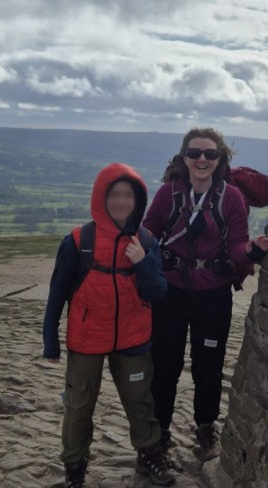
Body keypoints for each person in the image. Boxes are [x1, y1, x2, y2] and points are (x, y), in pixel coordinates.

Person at [142, 128, 268, 463]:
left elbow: (237, 246)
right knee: (165, 364)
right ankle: (160, 431)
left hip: (212, 295)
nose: (202, 159)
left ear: (220, 159)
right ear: (184, 157)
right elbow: (148, 234)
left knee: (209, 366)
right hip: (169, 293)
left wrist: (253, 252)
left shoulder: (230, 198)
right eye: (195, 153)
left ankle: (204, 424)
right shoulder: (168, 194)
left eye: (210, 154)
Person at [42, 163, 174, 488]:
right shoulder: (78, 241)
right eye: (114, 194)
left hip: (133, 338)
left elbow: (157, 292)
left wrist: (142, 261)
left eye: (128, 195)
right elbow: (57, 293)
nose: (121, 201)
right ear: (101, 197)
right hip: (86, 339)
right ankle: (75, 468)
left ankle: (149, 455)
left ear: (138, 199)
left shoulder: (145, 240)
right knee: (79, 407)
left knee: (140, 401)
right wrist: (51, 341)